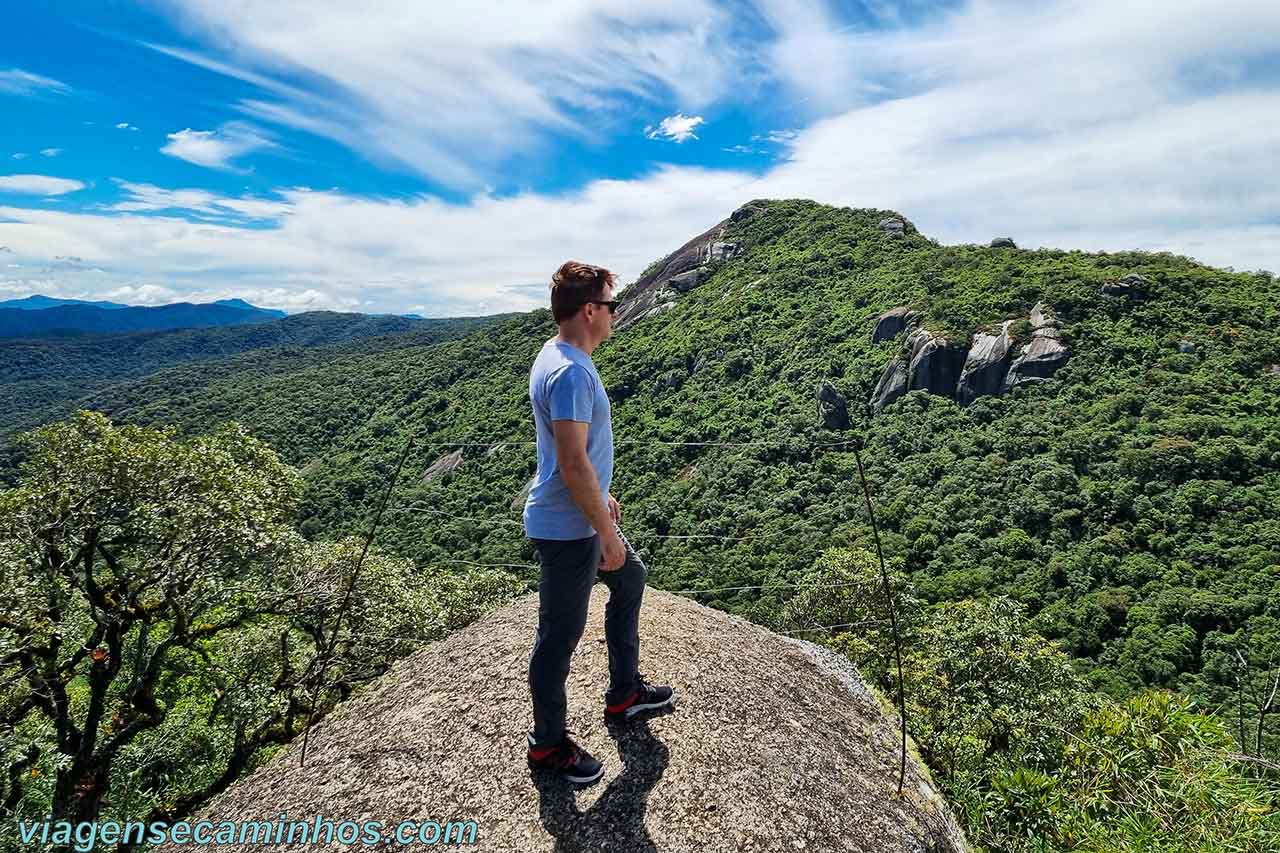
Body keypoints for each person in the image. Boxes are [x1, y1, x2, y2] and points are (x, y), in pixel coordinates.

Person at [522, 260, 674, 785]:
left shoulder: (559, 354)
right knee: (558, 637)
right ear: (589, 310)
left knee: (630, 579)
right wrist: (603, 530)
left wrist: (602, 502)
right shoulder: (570, 371)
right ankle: (548, 746)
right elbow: (572, 461)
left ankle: (625, 692)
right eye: (611, 305)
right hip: (568, 527)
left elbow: (578, 457)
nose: (616, 313)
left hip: (581, 513)